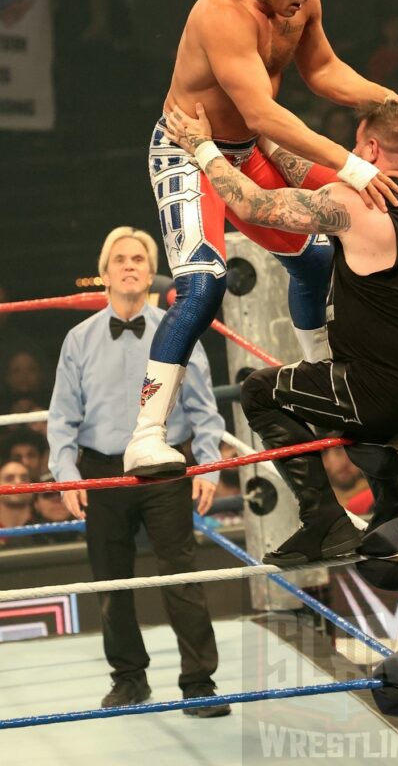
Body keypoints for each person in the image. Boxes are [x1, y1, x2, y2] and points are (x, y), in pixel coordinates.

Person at [123, 0, 398, 478]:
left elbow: (323, 70)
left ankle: (333, 390)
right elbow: (262, 109)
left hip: (250, 149)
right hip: (191, 150)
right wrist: (353, 164)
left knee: (316, 260)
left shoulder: (296, 1)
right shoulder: (221, 15)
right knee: (203, 284)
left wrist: (389, 99)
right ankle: (145, 436)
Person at [164, 99, 398, 566]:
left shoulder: (359, 205)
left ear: (369, 148)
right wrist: (260, 140)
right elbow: (310, 171)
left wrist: (202, 147)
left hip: (391, 390)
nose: (347, 154)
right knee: (336, 386)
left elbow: (251, 203)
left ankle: (324, 520)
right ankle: (396, 504)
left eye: (354, 145)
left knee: (260, 392)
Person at [48, 227, 228, 715]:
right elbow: (62, 416)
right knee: (111, 580)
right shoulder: (79, 339)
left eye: (139, 259)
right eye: (120, 259)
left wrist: (208, 467)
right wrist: (66, 473)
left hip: (165, 467)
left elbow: (205, 410)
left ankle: (199, 685)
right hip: (102, 471)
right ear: (105, 274)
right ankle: (128, 678)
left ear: (151, 273)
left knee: (181, 577)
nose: (130, 266)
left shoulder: (179, 329)